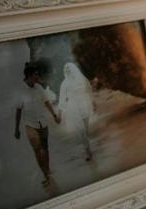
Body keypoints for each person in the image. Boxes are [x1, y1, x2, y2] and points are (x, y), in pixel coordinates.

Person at [13, 60, 61, 188]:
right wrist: (16, 129)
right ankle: (46, 176)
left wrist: (55, 115)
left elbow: (46, 103)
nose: (38, 77)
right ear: (29, 75)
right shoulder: (21, 91)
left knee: (45, 148)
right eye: (36, 74)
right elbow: (18, 110)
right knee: (38, 150)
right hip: (30, 125)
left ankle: (48, 171)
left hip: (43, 123)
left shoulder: (39, 88)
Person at [58, 62, 95, 162]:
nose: (68, 71)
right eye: (66, 70)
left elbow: (89, 90)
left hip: (85, 106)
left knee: (86, 131)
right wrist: (59, 115)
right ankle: (88, 152)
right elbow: (61, 100)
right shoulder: (64, 84)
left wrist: (93, 103)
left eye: (69, 69)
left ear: (74, 69)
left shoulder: (82, 79)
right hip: (74, 109)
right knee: (82, 131)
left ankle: (88, 148)